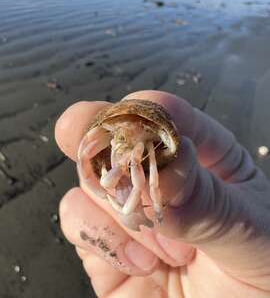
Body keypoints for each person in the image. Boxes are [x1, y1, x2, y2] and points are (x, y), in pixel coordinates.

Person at [55, 90, 270, 298]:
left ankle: (155, 208)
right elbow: (86, 153)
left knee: (140, 179)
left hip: (146, 145)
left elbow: (146, 178)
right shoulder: (115, 136)